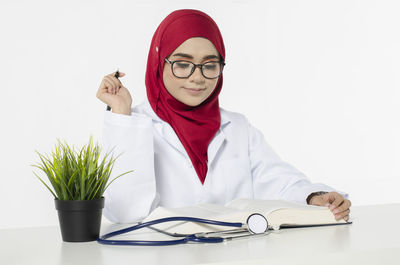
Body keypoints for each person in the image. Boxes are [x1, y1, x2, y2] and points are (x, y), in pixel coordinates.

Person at [96, 9, 351, 224]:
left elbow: (278, 181)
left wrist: (313, 197)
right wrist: (121, 114)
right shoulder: (132, 124)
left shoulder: (237, 127)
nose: (198, 77)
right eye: (183, 64)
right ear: (157, 62)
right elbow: (124, 213)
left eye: (210, 65)